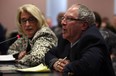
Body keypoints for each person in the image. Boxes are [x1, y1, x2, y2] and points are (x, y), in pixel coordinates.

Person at [45, 3, 115, 76]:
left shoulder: (92, 39)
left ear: (84, 25)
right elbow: (48, 54)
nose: (62, 22)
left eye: (69, 19)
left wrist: (67, 66)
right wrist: (55, 63)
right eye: (63, 18)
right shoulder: (66, 38)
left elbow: (86, 66)